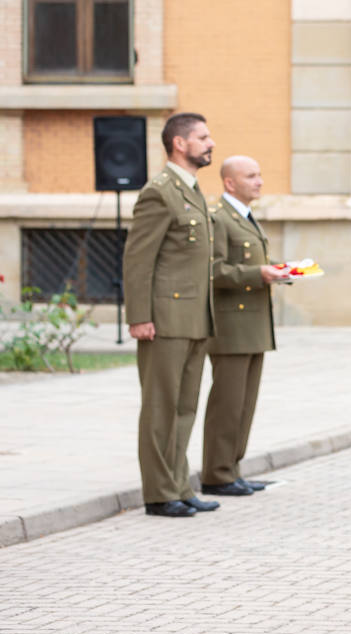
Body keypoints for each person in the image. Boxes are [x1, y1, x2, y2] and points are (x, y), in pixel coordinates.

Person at [122, 112, 221, 518]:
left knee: (184, 407)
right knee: (161, 407)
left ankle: (179, 485)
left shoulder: (192, 190)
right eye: (203, 137)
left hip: (195, 317)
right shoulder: (159, 192)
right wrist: (139, 316)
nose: (210, 142)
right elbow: (138, 260)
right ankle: (159, 492)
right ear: (180, 144)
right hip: (164, 319)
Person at [202, 156, 290, 497]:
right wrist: (260, 274)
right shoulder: (219, 219)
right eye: (250, 176)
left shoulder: (244, 216)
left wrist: (276, 272)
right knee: (227, 404)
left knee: (244, 405)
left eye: (259, 174)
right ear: (229, 182)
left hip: (253, 327)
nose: (259, 181)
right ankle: (216, 473)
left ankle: (231, 469)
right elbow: (214, 271)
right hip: (231, 329)